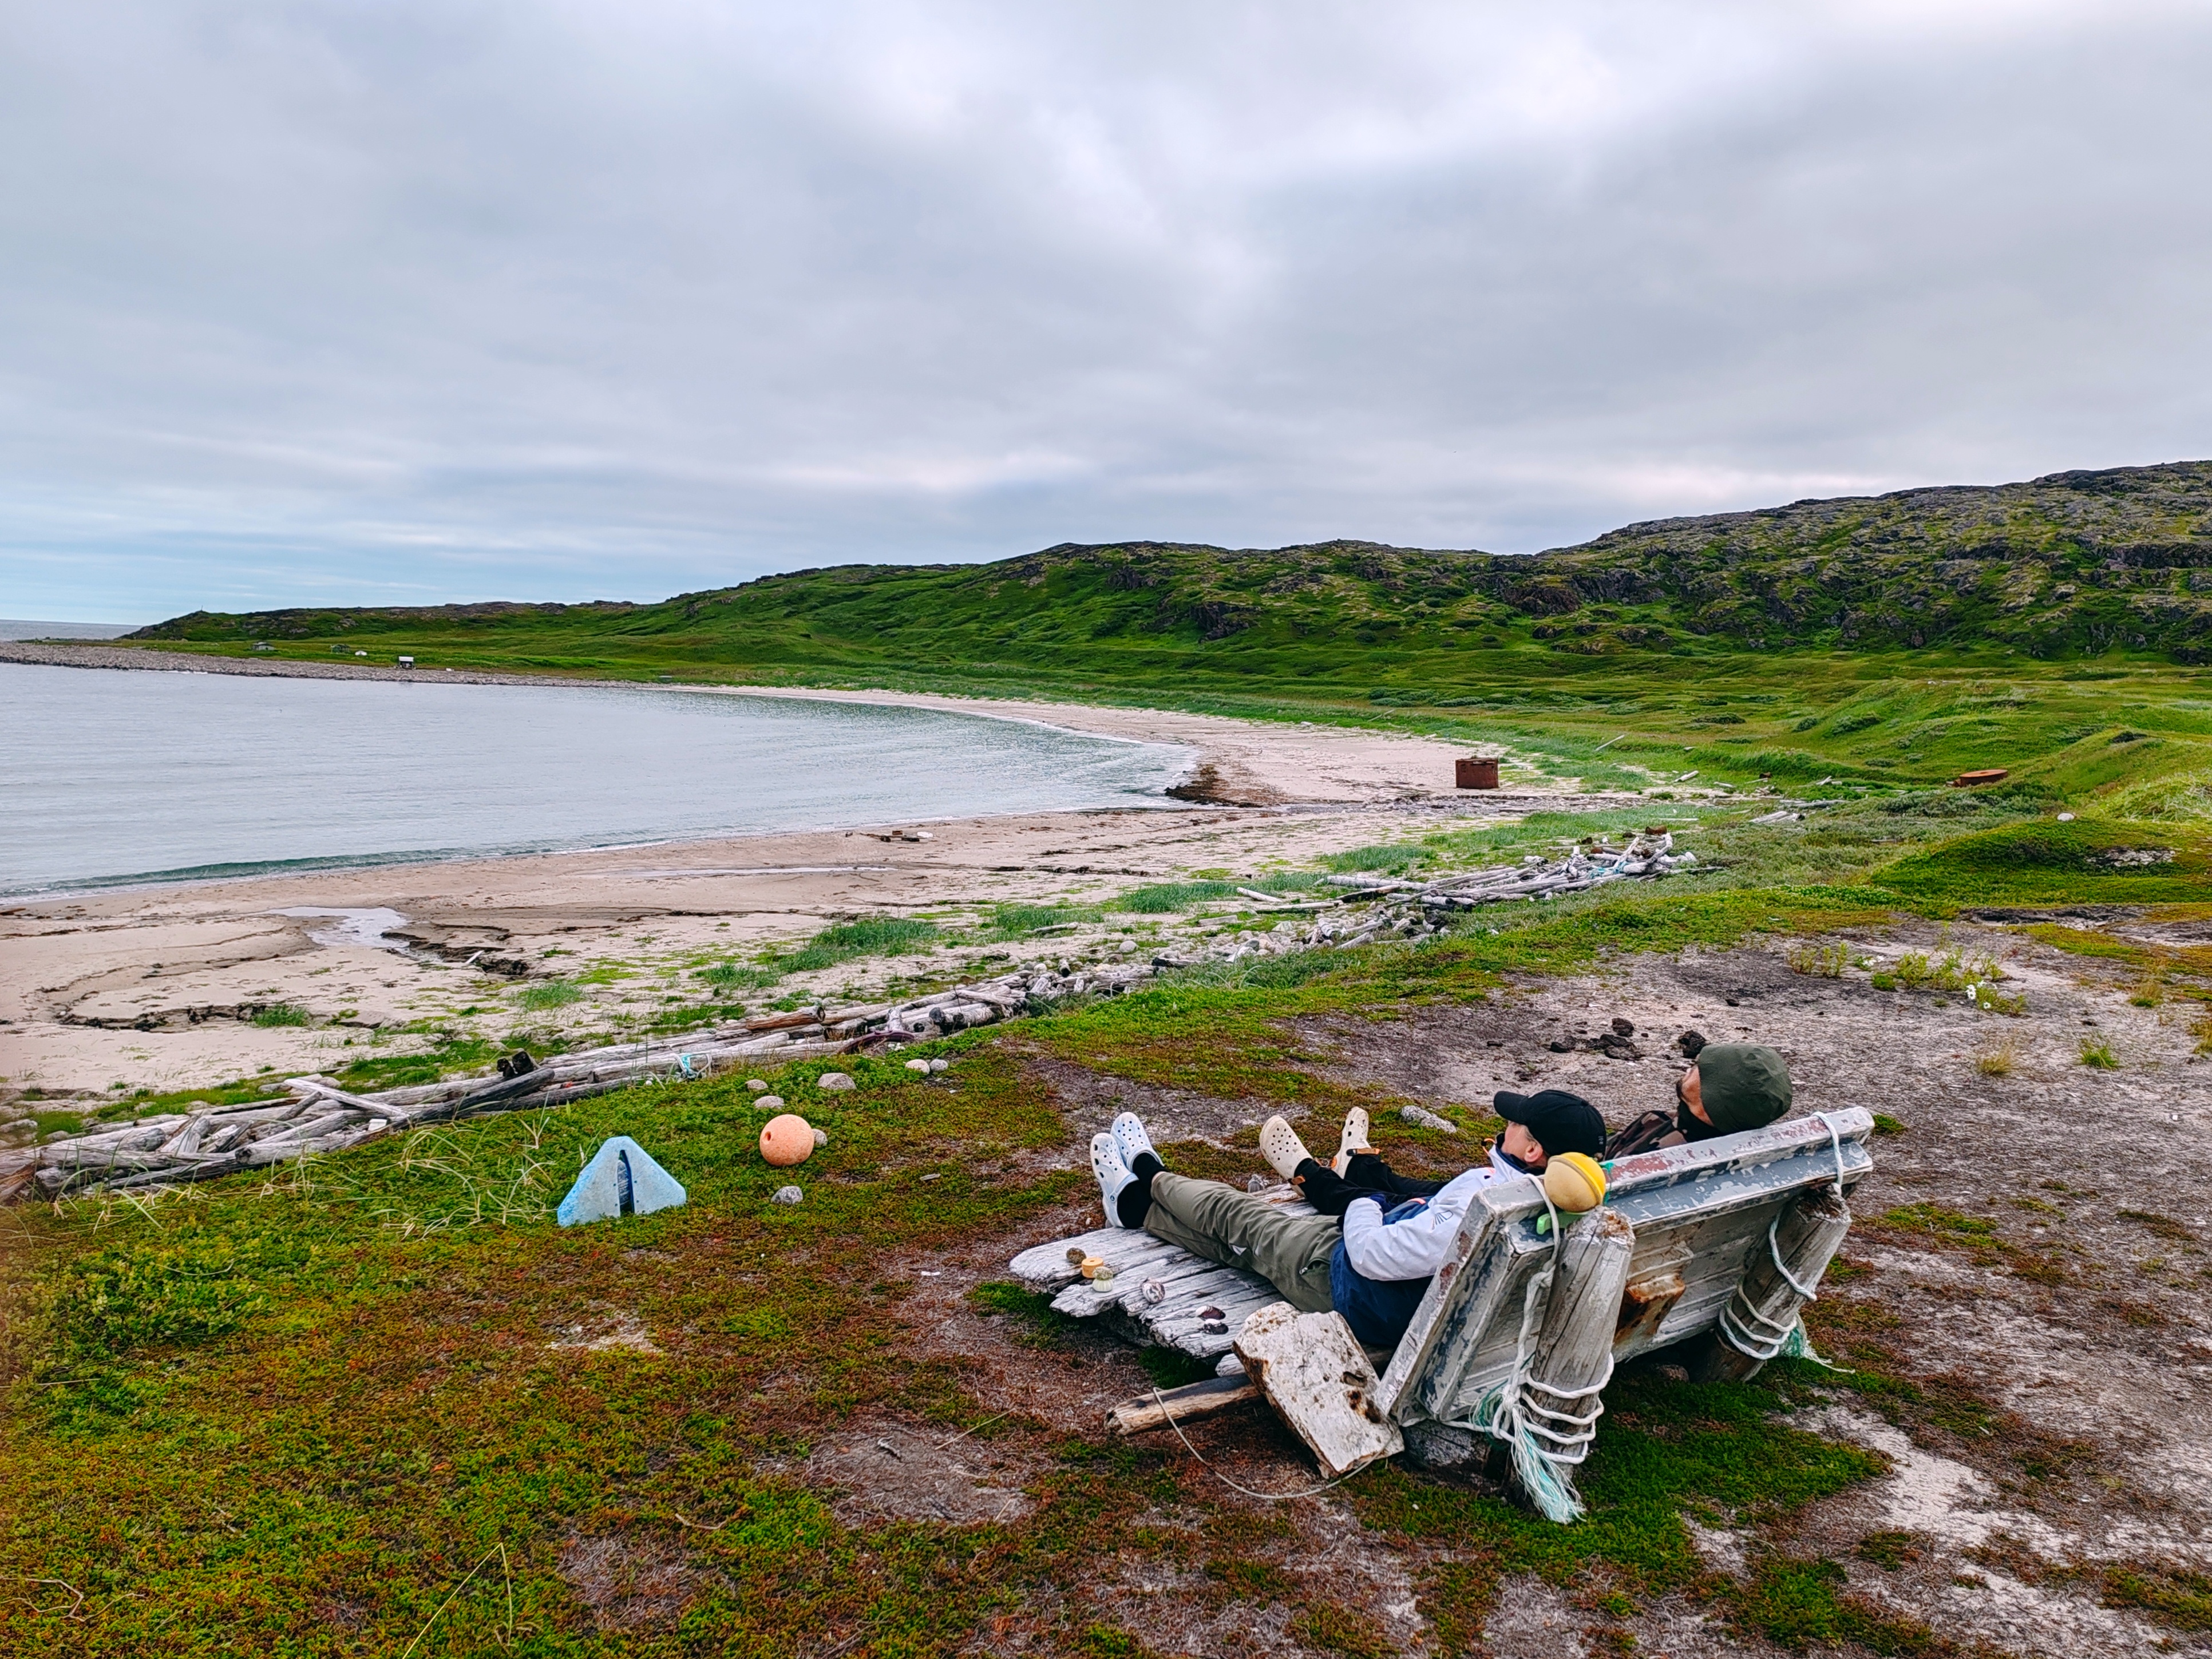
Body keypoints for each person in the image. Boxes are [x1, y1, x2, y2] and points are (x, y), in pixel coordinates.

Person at [1087, 1090, 1606, 1352]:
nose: (1505, 1125)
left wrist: (1363, 1208)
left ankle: (1150, 1175)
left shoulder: (1493, 1203)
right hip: (1404, 1291)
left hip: (1346, 1282)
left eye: (1514, 1124)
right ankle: (1133, 1206)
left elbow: (1374, 1255)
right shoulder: (1566, 1203)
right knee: (1234, 1248)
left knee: (1238, 1215)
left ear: (1534, 1149)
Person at [1603, 1041, 1795, 1159]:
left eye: (1700, 1067)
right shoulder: (1753, 1155)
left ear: (1713, 1099)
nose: (1690, 1068)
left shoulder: (1655, 1158)